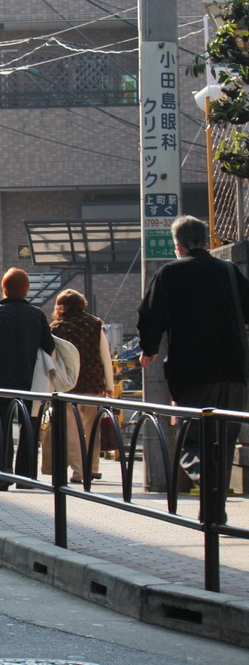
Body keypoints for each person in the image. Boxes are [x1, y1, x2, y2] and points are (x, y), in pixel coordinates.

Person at [137, 215, 249, 521]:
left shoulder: (171, 273)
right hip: (234, 371)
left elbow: (150, 315)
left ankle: (209, 485)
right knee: (224, 442)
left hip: (193, 372)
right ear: (205, 241)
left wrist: (149, 350)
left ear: (178, 246)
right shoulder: (228, 271)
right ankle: (214, 513)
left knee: (191, 441)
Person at [0, 267, 55, 491]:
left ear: (4, 288)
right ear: (26, 289)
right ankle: (25, 477)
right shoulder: (36, 314)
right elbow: (49, 345)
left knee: (0, 428)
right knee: (30, 427)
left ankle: (4, 473)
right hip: (30, 381)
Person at [48, 289, 114, 483]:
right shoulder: (95, 324)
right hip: (93, 384)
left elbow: (53, 361)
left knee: (72, 433)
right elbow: (105, 357)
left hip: (67, 386)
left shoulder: (56, 328)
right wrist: (108, 384)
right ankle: (93, 467)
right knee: (93, 428)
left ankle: (79, 472)